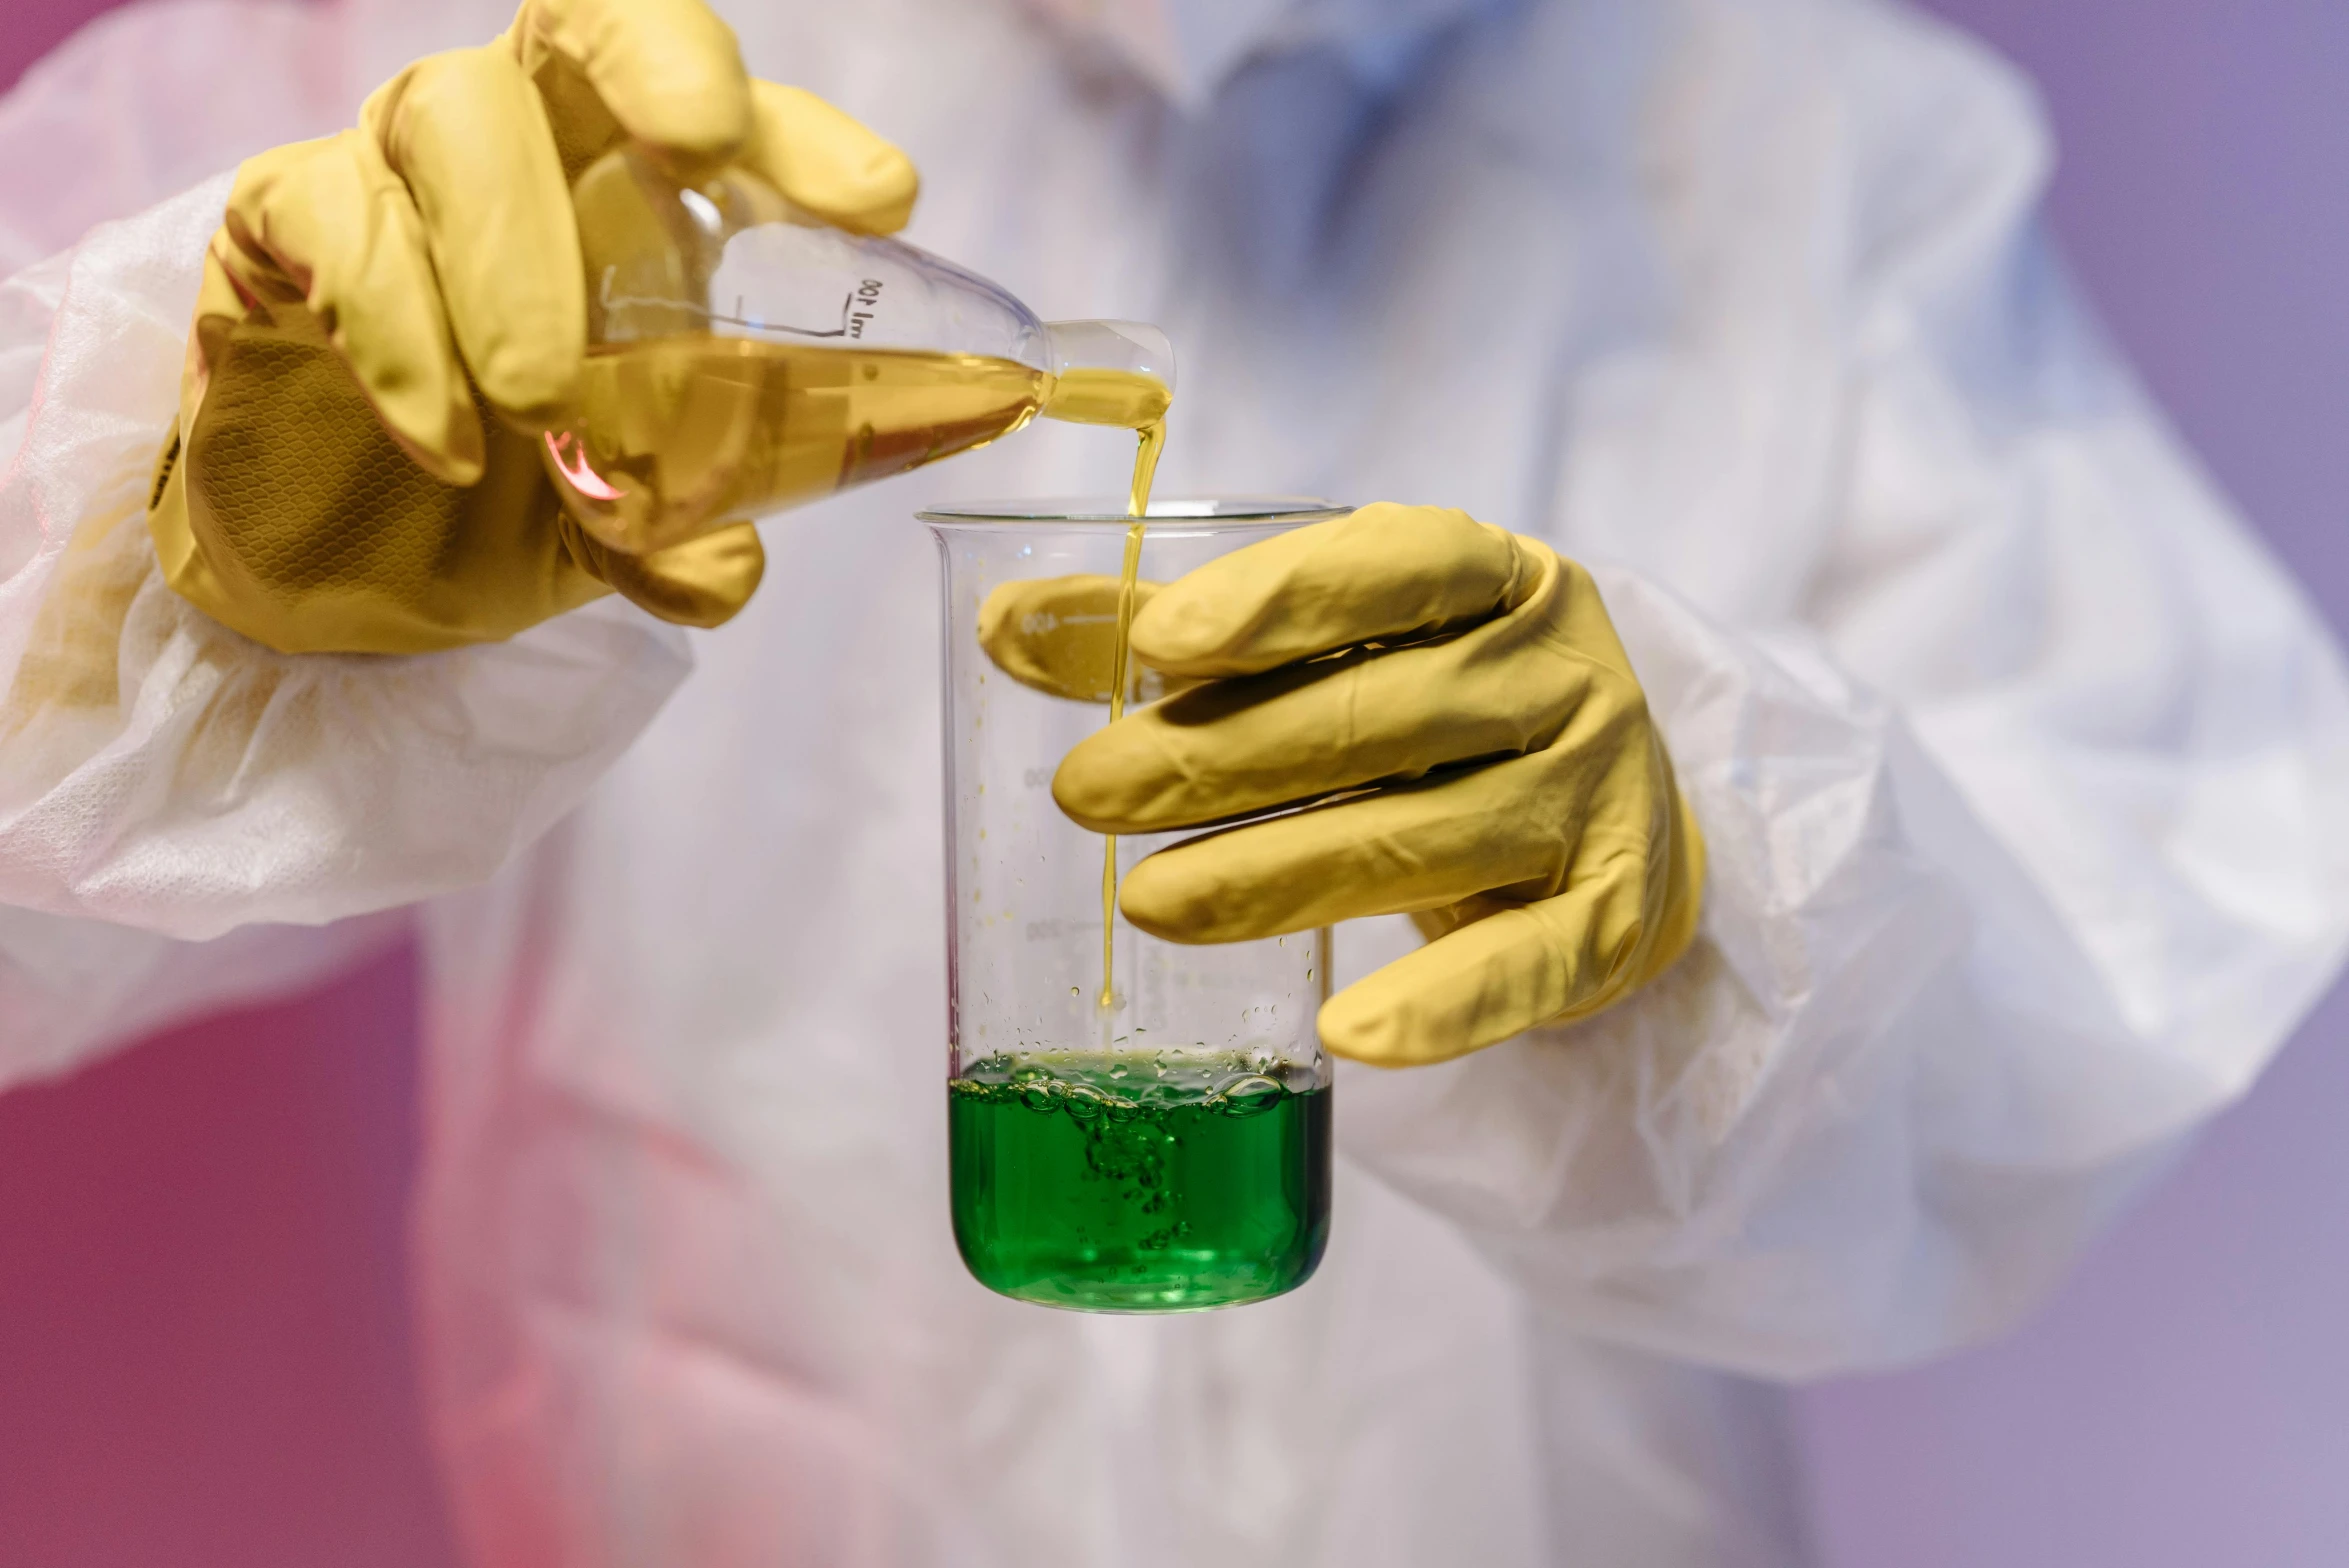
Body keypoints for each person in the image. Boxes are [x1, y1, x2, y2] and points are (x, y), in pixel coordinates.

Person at [2, 0, 2345, 1562]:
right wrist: (171, 560)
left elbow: (2133, 913)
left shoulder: (1809, 136)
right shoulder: (513, 79)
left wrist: (1718, 868)